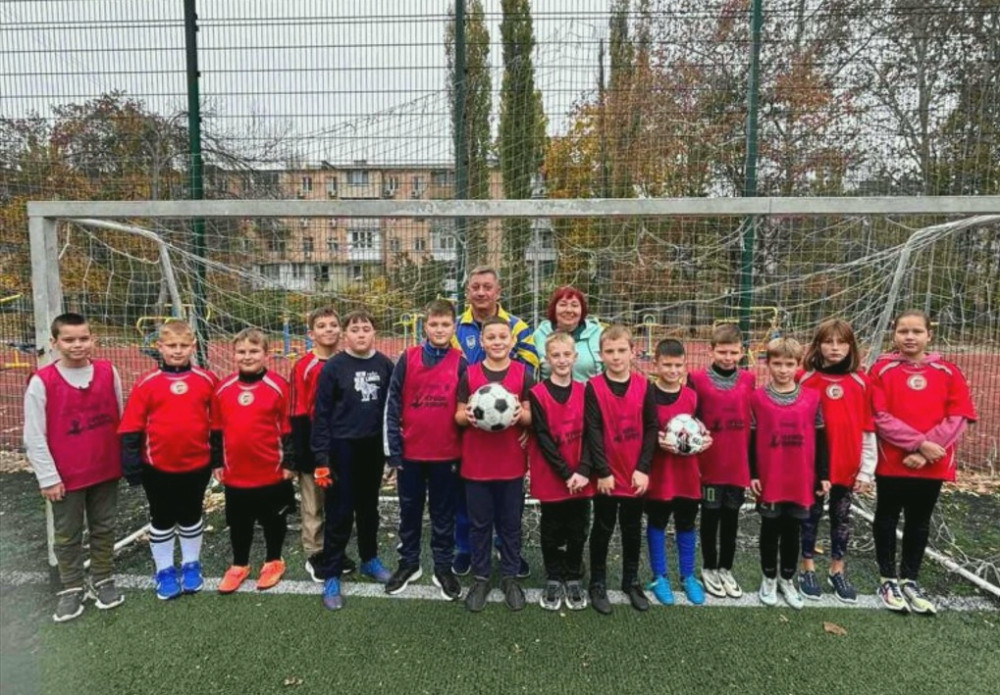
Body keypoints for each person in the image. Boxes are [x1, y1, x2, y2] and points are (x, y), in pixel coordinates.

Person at [869, 309, 977, 615]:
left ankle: (910, 579)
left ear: (929, 335)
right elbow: (879, 416)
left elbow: (958, 416)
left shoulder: (948, 371)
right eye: (903, 331)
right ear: (894, 334)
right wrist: (918, 444)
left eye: (917, 331)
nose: (910, 337)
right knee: (887, 517)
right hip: (893, 461)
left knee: (919, 521)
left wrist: (927, 449)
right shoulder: (881, 370)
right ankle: (887, 579)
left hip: (932, 462)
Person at [23, 312, 125, 622]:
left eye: (83, 338)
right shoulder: (42, 381)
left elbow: (120, 415)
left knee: (104, 527)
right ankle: (71, 587)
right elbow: (34, 435)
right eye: (69, 339)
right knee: (68, 534)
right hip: (66, 477)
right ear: (54, 342)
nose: (77, 345)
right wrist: (48, 477)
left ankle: (103, 579)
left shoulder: (108, 371)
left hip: (105, 469)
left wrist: (124, 458)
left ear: (93, 339)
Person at [119, 319, 217, 600]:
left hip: (197, 465)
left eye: (183, 345)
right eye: (171, 345)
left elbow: (219, 423)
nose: (177, 350)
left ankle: (191, 565)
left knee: (191, 515)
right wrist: (132, 467)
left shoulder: (207, 380)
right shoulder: (147, 384)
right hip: (157, 467)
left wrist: (218, 458)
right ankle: (164, 570)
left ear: (193, 346)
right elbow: (130, 427)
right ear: (159, 347)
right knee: (162, 518)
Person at [452, 265, 538, 577]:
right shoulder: (455, 328)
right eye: (475, 287)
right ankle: (466, 550)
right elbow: (452, 371)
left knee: (507, 504)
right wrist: (472, 411)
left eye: (487, 287)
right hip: (470, 421)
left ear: (498, 291)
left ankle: (506, 548)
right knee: (469, 495)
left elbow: (530, 369)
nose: (481, 292)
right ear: (467, 292)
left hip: (507, 428)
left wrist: (520, 419)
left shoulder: (518, 327)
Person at [311, 310, 396, 610]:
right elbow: (321, 415)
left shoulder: (385, 365)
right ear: (345, 335)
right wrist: (321, 458)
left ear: (375, 333)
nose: (361, 334)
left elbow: (392, 412)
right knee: (340, 512)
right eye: (355, 329)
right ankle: (332, 573)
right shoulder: (334, 367)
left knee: (368, 509)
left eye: (366, 329)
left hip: (372, 449)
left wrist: (392, 453)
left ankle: (369, 559)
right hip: (341, 450)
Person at [383, 299, 466, 601]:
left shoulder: (461, 362)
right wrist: (393, 452)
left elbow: (465, 410)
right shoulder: (408, 358)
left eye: (445, 324)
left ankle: (443, 567)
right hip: (411, 455)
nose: (440, 329)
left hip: (447, 455)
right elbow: (392, 405)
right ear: (425, 327)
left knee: (444, 515)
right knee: (410, 512)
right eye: (434, 324)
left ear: (453, 327)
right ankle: (409, 563)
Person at [456, 316, 533, 612]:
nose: (498, 342)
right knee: (479, 525)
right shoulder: (470, 374)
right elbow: (458, 414)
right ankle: (481, 578)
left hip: (511, 464)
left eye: (503, 337)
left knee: (510, 524)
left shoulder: (524, 374)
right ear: (482, 342)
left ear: (512, 341)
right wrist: (468, 416)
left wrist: (520, 416)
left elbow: (531, 415)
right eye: (491, 337)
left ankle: (510, 577)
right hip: (476, 465)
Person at [797, 319, 876, 603]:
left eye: (841, 342)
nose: (834, 348)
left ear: (850, 346)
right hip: (812, 467)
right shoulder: (803, 379)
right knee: (810, 516)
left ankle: (837, 570)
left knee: (841, 519)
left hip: (847, 466)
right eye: (828, 342)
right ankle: (807, 568)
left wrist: (867, 470)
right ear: (817, 345)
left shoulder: (861, 382)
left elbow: (868, 428)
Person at [212, 328, 296, 594]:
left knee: (273, 520)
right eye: (241, 352)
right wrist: (217, 462)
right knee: (239, 522)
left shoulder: (279, 386)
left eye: (254, 351)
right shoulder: (223, 388)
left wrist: (290, 463)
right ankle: (239, 564)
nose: (247, 356)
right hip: (236, 473)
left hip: (271, 471)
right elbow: (216, 429)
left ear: (266, 354)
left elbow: (289, 429)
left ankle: (273, 560)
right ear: (233, 354)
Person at [750, 337, 829, 610]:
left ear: (798, 365)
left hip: (801, 478)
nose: (783, 370)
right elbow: (751, 439)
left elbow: (821, 438)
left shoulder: (812, 398)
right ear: (768, 364)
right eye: (777, 364)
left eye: (789, 364)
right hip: (770, 477)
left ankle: (787, 578)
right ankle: (768, 578)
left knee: (793, 530)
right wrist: (753, 473)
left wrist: (823, 474)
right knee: (770, 529)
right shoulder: (757, 398)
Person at [584, 325, 658, 614]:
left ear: (633, 352)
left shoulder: (644, 385)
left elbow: (651, 427)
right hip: (607, 475)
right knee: (602, 528)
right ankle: (598, 582)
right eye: (610, 351)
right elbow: (592, 430)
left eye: (621, 350)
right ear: (601, 355)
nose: (616, 356)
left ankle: (631, 580)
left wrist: (643, 468)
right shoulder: (593, 387)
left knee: (631, 528)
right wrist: (602, 471)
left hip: (634, 473)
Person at [289, 306, 357, 582]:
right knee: (313, 503)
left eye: (332, 325)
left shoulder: (346, 362)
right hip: (313, 446)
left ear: (340, 330)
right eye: (321, 326)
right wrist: (303, 454)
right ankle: (315, 553)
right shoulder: (303, 366)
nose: (328, 330)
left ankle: (335, 549)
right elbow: (297, 411)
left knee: (339, 502)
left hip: (342, 444)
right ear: (311, 333)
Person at [688, 323, 754, 600]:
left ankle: (726, 568)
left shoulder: (749, 380)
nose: (728, 357)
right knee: (710, 517)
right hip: (709, 465)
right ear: (711, 351)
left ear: (742, 352)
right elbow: (689, 418)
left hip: (737, 466)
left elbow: (753, 423)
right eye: (722, 352)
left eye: (733, 352)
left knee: (731, 519)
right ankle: (709, 567)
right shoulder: (696, 379)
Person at [528, 331, 592, 611]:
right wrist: (567, 473)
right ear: (547, 359)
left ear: (575, 357)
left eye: (567, 354)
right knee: (552, 528)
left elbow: (592, 434)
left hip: (582, 475)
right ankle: (553, 576)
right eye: (556, 355)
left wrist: (584, 469)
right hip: (553, 474)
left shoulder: (586, 391)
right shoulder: (537, 393)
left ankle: (574, 575)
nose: (562, 360)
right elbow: (543, 437)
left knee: (578, 528)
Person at [645, 339, 709, 606]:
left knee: (686, 522)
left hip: (687, 473)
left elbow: (701, 428)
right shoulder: (647, 395)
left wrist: (705, 439)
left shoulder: (692, 396)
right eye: (667, 365)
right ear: (656, 364)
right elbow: (644, 431)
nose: (673, 370)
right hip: (660, 473)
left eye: (678, 365)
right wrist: (656, 442)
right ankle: (659, 576)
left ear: (685, 366)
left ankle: (688, 576)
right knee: (658, 522)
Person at [531, 286, 603, 381]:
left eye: (574, 305)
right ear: (554, 308)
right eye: (563, 304)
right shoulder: (539, 335)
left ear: (582, 310)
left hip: (590, 390)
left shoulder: (598, 334)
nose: (569, 310)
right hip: (549, 390)